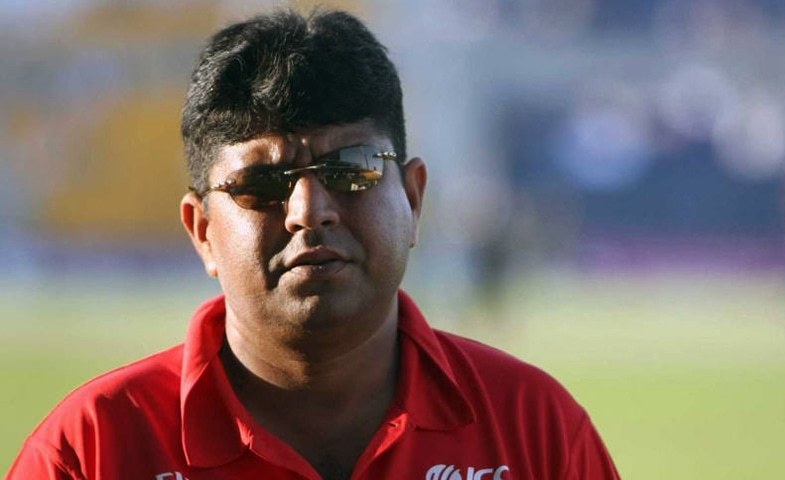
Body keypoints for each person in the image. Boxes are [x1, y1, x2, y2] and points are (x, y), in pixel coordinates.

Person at [7, 9, 620, 480]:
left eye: (351, 170)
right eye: (262, 184)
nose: (310, 211)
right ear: (202, 231)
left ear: (413, 199)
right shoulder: (91, 449)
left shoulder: (535, 430)